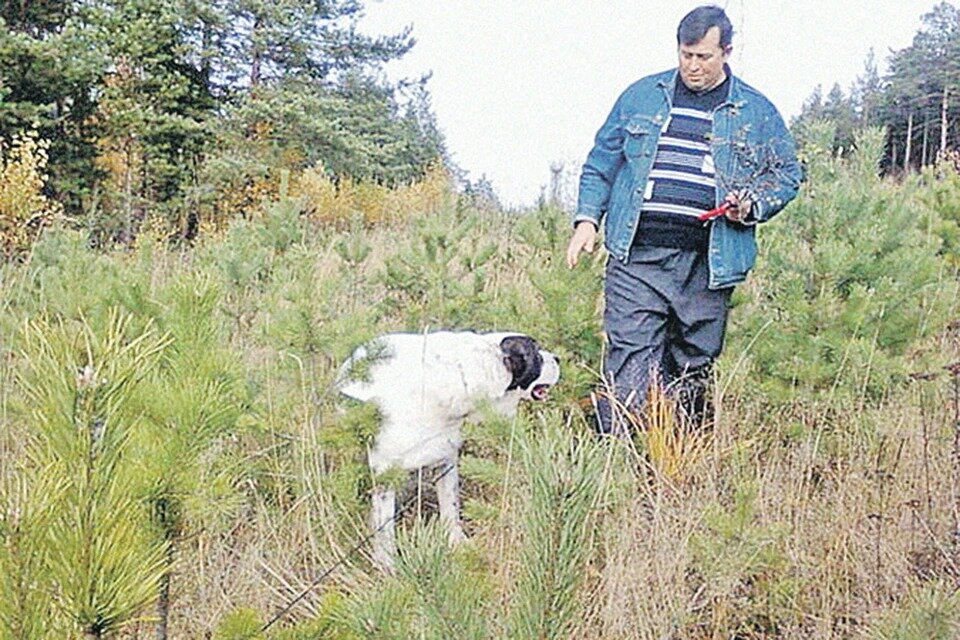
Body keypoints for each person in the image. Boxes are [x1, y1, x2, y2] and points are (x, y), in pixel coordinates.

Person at [566, 5, 802, 435]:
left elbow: (786, 175)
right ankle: (614, 475)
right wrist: (587, 221)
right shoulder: (640, 96)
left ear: (726, 52)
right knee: (629, 365)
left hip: (709, 263)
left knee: (692, 367)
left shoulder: (755, 110)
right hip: (636, 256)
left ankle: (679, 472)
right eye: (686, 55)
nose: (693, 66)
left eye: (704, 57)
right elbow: (601, 162)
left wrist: (749, 204)